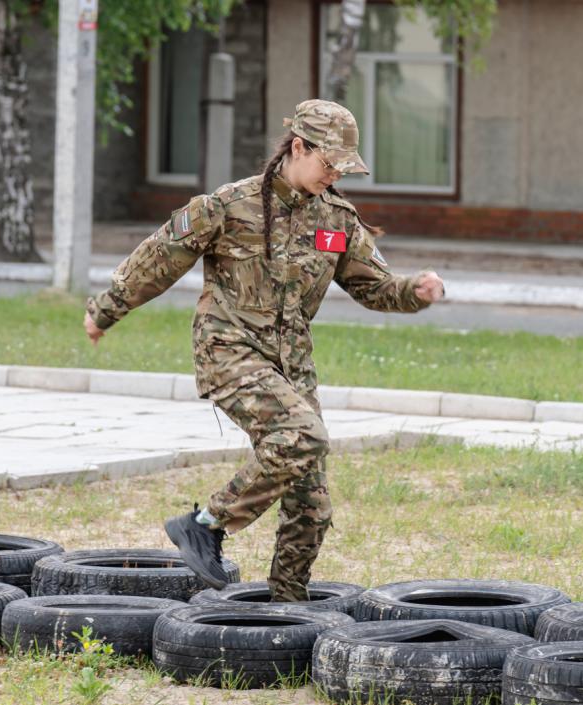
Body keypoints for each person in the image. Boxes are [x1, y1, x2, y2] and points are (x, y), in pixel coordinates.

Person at [82, 99, 445, 601]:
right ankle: (204, 525)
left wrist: (415, 292)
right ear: (298, 147)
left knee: (310, 502)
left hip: (291, 365)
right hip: (228, 348)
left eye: (344, 166)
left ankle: (287, 609)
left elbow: (374, 286)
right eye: (329, 163)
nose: (336, 174)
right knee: (301, 434)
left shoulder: (337, 219)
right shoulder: (228, 206)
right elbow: (159, 259)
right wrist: (105, 309)